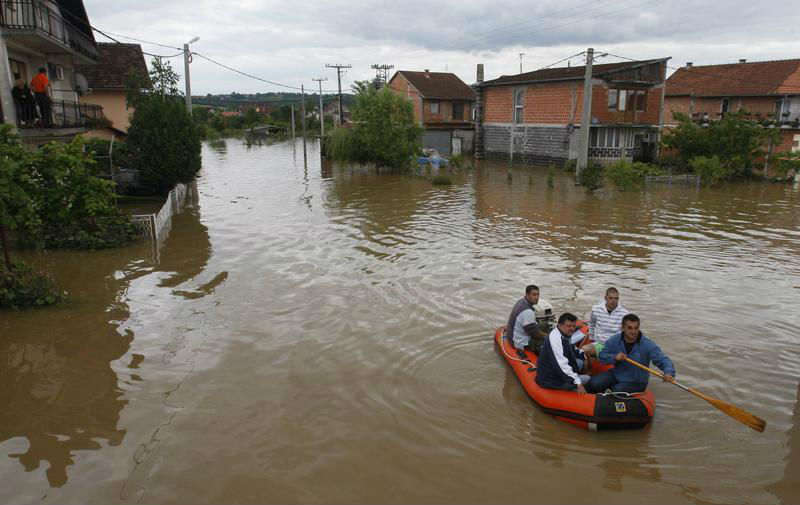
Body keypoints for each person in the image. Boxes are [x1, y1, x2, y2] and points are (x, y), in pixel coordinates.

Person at [587, 313, 675, 394]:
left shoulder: (647, 345)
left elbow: (663, 360)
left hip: (636, 382)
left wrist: (669, 372)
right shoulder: (614, 340)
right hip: (616, 375)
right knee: (594, 383)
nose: (633, 331)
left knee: (617, 391)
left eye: (636, 328)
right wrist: (614, 358)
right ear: (622, 328)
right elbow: (602, 355)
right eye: (629, 328)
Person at [535, 313, 591, 394]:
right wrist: (577, 382)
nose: (572, 328)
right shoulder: (555, 339)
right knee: (587, 379)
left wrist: (584, 356)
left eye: (573, 326)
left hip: (555, 371)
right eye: (568, 326)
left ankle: (574, 380)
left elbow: (572, 347)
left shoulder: (565, 334)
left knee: (581, 362)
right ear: (560, 325)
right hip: (551, 379)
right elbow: (561, 365)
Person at [581, 287, 629, 358]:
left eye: (616, 298)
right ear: (605, 298)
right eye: (611, 298)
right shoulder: (596, 309)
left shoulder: (625, 313)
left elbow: (627, 333)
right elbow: (592, 324)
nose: (613, 301)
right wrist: (591, 337)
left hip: (615, 346)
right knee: (584, 349)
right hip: (600, 344)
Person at [506, 285, 547, 354]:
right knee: (548, 342)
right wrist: (547, 336)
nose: (537, 297)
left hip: (515, 335)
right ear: (527, 295)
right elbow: (535, 334)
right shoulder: (527, 312)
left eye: (538, 294)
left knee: (546, 324)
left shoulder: (521, 301)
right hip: (521, 343)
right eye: (534, 295)